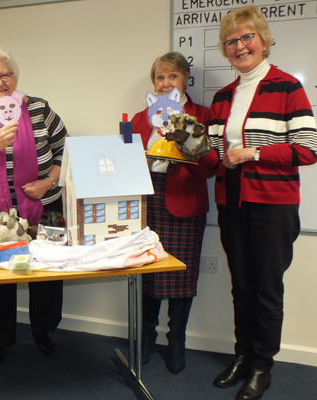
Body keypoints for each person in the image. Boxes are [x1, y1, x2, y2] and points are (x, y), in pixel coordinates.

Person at [199, 6, 317, 400]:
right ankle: (243, 356)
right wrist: (189, 148)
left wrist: (253, 153)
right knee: (242, 286)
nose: (239, 46)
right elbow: (214, 158)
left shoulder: (287, 87)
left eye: (247, 37)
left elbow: (309, 148)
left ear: (264, 41)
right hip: (231, 200)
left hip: (272, 204)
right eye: (231, 41)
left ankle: (262, 367)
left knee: (266, 289)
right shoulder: (222, 96)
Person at [0, 47, 68, 365]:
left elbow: (65, 149)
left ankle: (44, 333)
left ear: (15, 77)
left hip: (44, 206)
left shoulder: (39, 108)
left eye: (5, 75)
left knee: (46, 271)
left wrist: (48, 182)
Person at [130, 52, 213, 374]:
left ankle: (176, 339)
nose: (165, 83)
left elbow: (211, 168)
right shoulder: (140, 118)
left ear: (185, 80)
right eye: (160, 77)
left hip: (185, 202)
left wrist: (185, 140)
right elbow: (125, 162)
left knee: (182, 274)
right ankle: (147, 337)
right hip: (148, 203)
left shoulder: (201, 114)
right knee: (148, 270)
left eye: (172, 76)